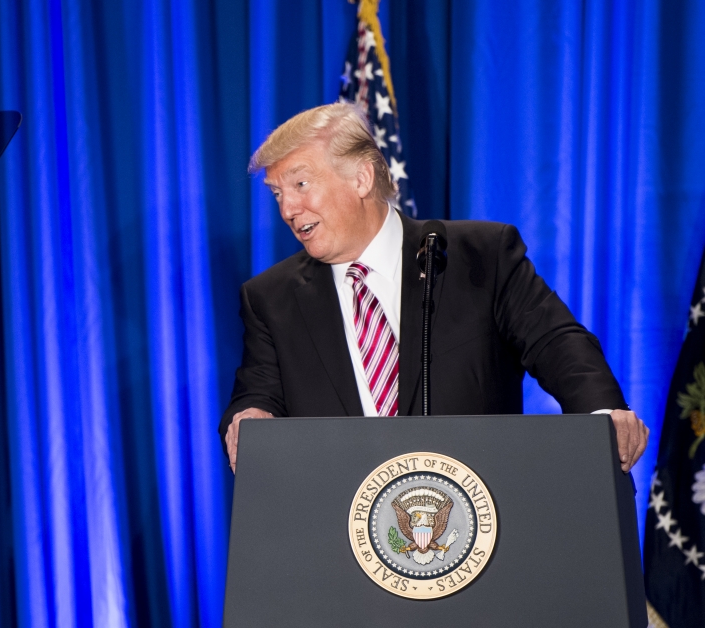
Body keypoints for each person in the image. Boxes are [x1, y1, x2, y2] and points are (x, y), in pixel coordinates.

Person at [220, 102, 648, 473]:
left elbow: (554, 342)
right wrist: (250, 417)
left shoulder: (480, 255)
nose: (289, 209)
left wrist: (601, 412)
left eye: (300, 184)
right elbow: (257, 392)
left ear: (361, 178)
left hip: (481, 520)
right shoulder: (270, 299)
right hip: (342, 532)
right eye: (277, 195)